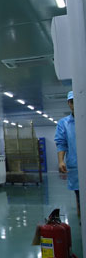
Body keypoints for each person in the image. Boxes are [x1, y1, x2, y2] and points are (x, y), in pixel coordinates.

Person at [55, 91, 79, 219]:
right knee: (80, 197)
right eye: (72, 102)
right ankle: (82, 222)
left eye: (77, 101)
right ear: (69, 103)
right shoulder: (64, 123)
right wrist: (61, 161)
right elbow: (61, 143)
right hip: (76, 166)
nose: (75, 104)